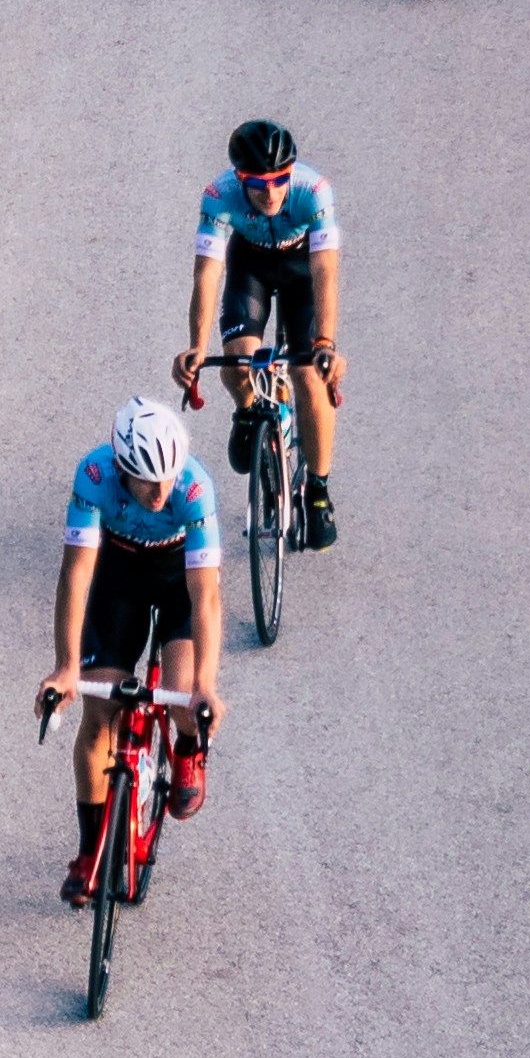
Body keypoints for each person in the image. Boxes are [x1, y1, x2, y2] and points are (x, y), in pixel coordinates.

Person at [38, 393, 223, 903]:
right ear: (122, 469)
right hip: (117, 578)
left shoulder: (194, 486)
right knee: (100, 716)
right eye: (147, 480)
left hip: (178, 580)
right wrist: (66, 667)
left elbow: (205, 596)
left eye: (167, 477)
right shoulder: (93, 477)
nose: (161, 491)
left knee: (184, 697)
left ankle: (187, 750)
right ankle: (88, 854)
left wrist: (205, 687)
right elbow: (76, 574)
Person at [177, 116, 344, 546]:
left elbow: (325, 269)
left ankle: (319, 493)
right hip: (249, 264)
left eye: (279, 180)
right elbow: (207, 274)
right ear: (239, 177)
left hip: (301, 268)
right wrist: (197, 346)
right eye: (257, 182)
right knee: (238, 363)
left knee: (310, 375)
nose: (269, 193)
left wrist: (325, 342)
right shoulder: (219, 196)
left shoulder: (314, 191)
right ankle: (250, 408)